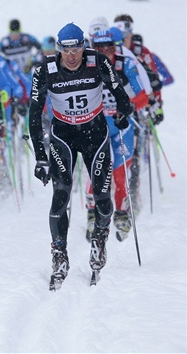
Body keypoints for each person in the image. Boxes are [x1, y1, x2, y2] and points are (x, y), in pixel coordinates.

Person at [28, 23, 133, 290]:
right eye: (66, 49)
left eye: (76, 49)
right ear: (58, 48)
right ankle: (59, 255)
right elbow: (34, 114)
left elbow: (119, 91)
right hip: (63, 135)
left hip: (95, 135)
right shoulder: (45, 69)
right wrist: (40, 157)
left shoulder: (97, 61)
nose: (72, 55)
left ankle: (99, 240)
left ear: (83, 46)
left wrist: (123, 112)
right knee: (61, 193)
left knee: (102, 196)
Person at [84, 29, 149, 243]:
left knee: (120, 173)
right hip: (96, 125)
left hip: (122, 126)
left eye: (109, 47)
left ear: (116, 46)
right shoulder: (86, 64)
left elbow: (143, 96)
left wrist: (127, 108)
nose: (104, 51)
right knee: (96, 169)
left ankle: (121, 213)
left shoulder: (125, 64)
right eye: (99, 48)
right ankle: (93, 211)